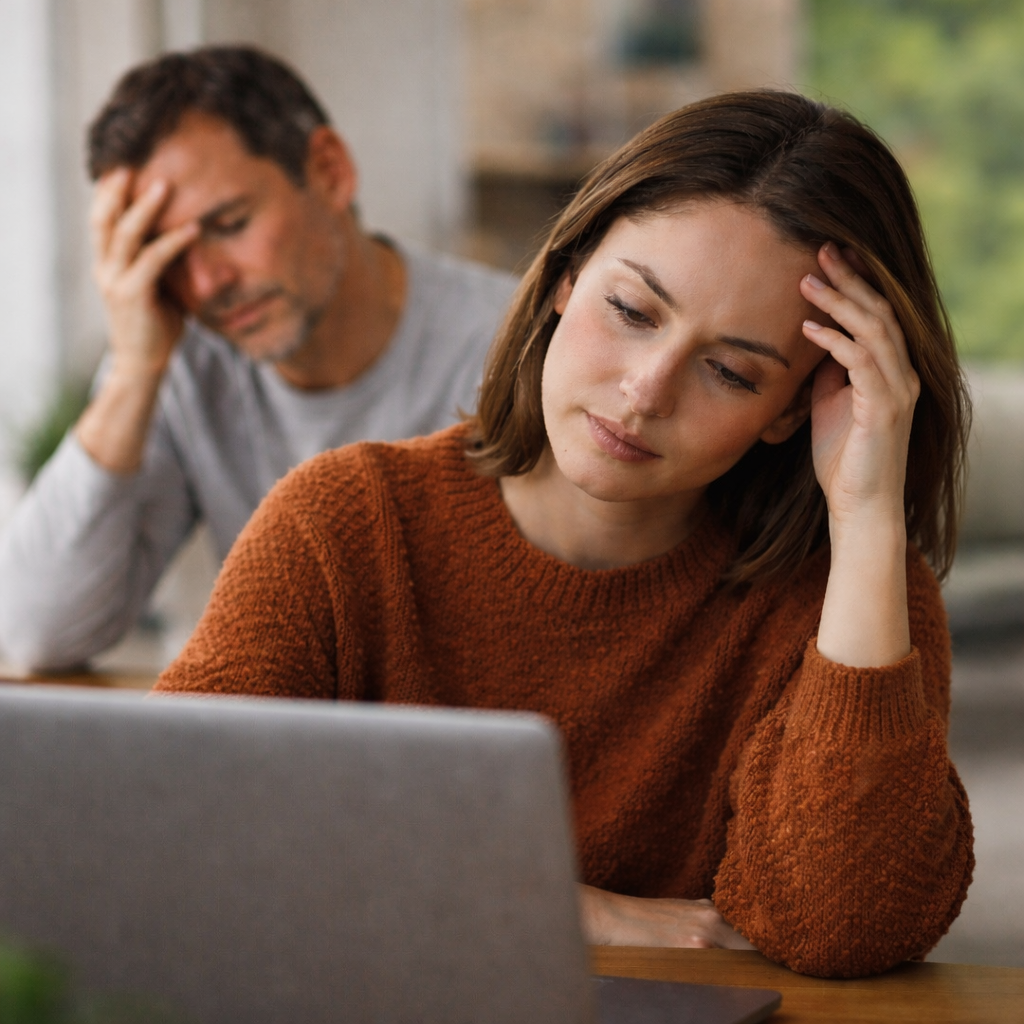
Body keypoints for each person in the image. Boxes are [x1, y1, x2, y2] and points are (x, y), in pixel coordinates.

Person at [154, 91, 974, 978]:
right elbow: (170, 829)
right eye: (632, 311)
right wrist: (575, 909)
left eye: (732, 371)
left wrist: (864, 517)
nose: (646, 391)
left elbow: (844, 927)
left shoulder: (853, 600)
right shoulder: (346, 523)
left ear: (790, 410)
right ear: (563, 279)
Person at [0, 46, 516, 671]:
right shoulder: (182, 360)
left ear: (329, 171)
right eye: (167, 254)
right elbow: (34, 631)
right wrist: (135, 373)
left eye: (228, 223)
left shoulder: (517, 354)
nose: (207, 283)